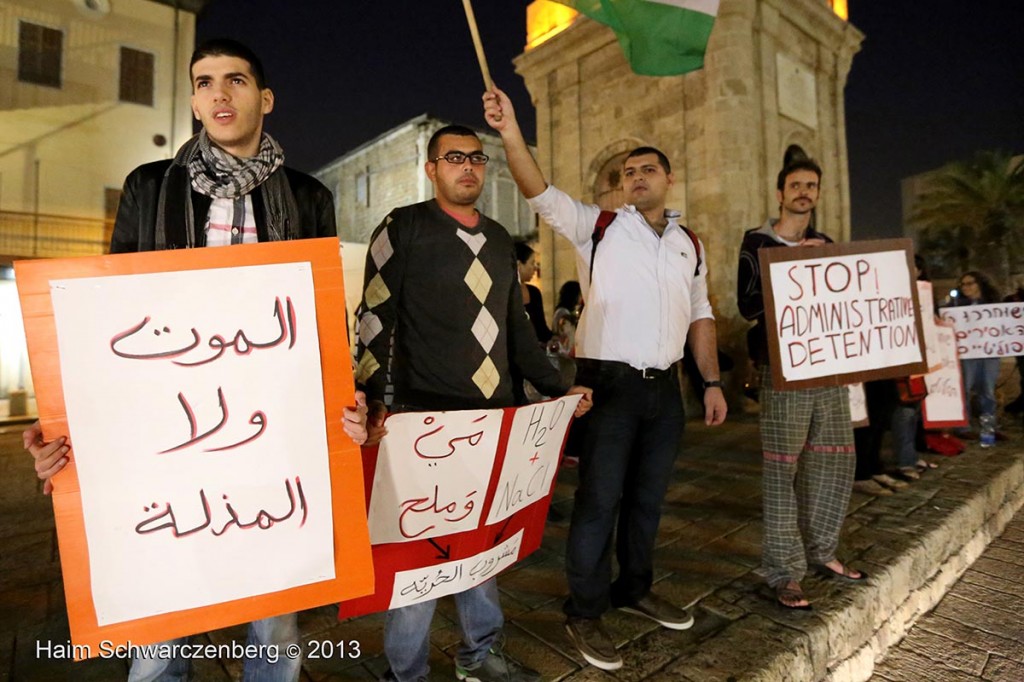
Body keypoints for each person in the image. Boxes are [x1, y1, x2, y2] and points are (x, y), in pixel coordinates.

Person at [23, 38, 369, 682]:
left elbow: (323, 329)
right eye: (204, 82)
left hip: (272, 439)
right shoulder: (149, 187)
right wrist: (67, 420)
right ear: (191, 100)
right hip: (168, 431)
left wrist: (348, 407)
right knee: (161, 630)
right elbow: (108, 316)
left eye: (235, 81)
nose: (219, 94)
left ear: (263, 99)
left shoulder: (309, 198)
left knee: (275, 621)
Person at [484, 88, 727, 672]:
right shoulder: (601, 226)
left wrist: (712, 382)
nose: (636, 177)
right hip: (608, 384)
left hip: (665, 388)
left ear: (669, 178)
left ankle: (635, 588)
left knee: (647, 499)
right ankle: (585, 610)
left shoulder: (689, 244)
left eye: (647, 169)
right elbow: (537, 191)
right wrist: (512, 131)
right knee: (598, 500)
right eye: (627, 172)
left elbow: (702, 314)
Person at [354, 123, 592, 682]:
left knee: (483, 546)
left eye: (477, 158)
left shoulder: (499, 239)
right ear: (431, 169)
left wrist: (560, 388)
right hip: (422, 421)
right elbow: (373, 320)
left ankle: (479, 655)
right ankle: (404, 672)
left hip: (493, 423)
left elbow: (516, 331)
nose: (468, 167)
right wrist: (373, 400)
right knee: (422, 555)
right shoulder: (403, 226)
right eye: (453, 157)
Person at [736, 158, 866, 611]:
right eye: (795, 185)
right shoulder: (756, 242)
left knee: (834, 461)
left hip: (827, 370)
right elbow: (747, 306)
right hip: (782, 369)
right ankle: (784, 571)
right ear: (780, 193)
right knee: (781, 470)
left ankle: (823, 553)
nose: (803, 192)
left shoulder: (827, 243)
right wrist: (793, 263)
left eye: (811, 185)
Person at [951, 270, 1003, 438]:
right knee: (964, 389)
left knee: (987, 390)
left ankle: (988, 427)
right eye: (962, 284)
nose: (965, 287)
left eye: (969, 283)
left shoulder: (994, 304)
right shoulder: (956, 305)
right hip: (967, 354)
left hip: (989, 352)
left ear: (980, 284)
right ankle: (963, 428)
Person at [514, 241, 553, 345]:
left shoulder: (534, 292)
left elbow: (541, 329)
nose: (535, 268)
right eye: (532, 263)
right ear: (518, 265)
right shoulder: (504, 294)